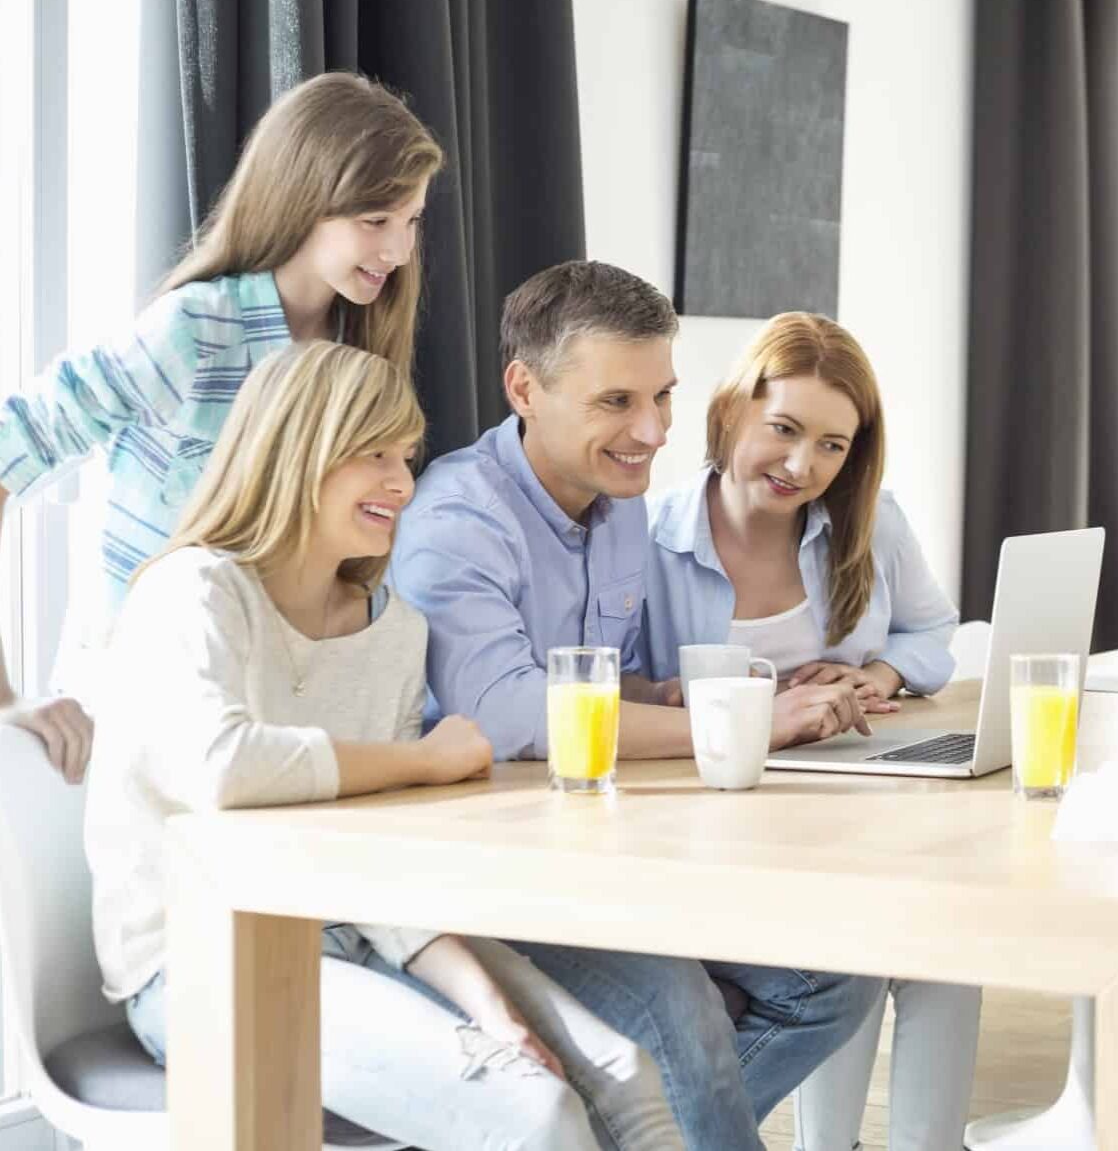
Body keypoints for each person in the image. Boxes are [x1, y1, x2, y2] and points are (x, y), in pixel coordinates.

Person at [85, 341, 683, 1150]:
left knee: (623, 1075)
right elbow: (221, 768)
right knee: (533, 1115)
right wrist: (424, 760)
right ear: (295, 451)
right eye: (371, 454)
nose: (402, 483)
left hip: (367, 940)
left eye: (405, 455)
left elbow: (383, 875)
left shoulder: (392, 629)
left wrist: (488, 1003)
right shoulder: (191, 593)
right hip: (204, 962)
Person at [391, 262, 883, 1150]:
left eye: (661, 396)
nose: (653, 431)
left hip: (597, 849)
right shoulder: (456, 522)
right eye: (617, 401)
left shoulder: (615, 509)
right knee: (681, 1012)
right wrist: (743, 727)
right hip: (483, 875)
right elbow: (507, 716)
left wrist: (680, 694)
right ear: (524, 388)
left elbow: (596, 685)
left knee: (833, 977)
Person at [0, 71, 442, 781]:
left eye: (412, 221)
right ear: (304, 199)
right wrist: (4, 701)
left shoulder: (357, 350)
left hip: (273, 721)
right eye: (375, 220)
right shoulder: (192, 331)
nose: (397, 251)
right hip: (146, 727)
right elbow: (7, 454)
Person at [643, 313, 975, 1151]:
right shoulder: (648, 541)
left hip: (854, 806)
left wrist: (877, 675)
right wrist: (749, 707)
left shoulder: (870, 524)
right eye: (784, 430)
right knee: (869, 934)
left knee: (951, 943)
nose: (803, 466)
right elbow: (614, 690)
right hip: (717, 829)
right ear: (729, 414)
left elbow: (935, 635)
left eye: (832, 445)